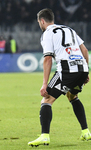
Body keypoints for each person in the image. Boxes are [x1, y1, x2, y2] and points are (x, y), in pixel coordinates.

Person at [28, 8, 90, 147]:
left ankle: (44, 136)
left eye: (39, 22)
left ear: (42, 21)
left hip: (67, 70)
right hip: (82, 68)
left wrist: (45, 84)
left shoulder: (47, 34)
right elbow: (84, 50)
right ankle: (86, 132)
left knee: (46, 100)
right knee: (72, 96)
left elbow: (48, 58)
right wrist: (86, 72)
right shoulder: (69, 29)